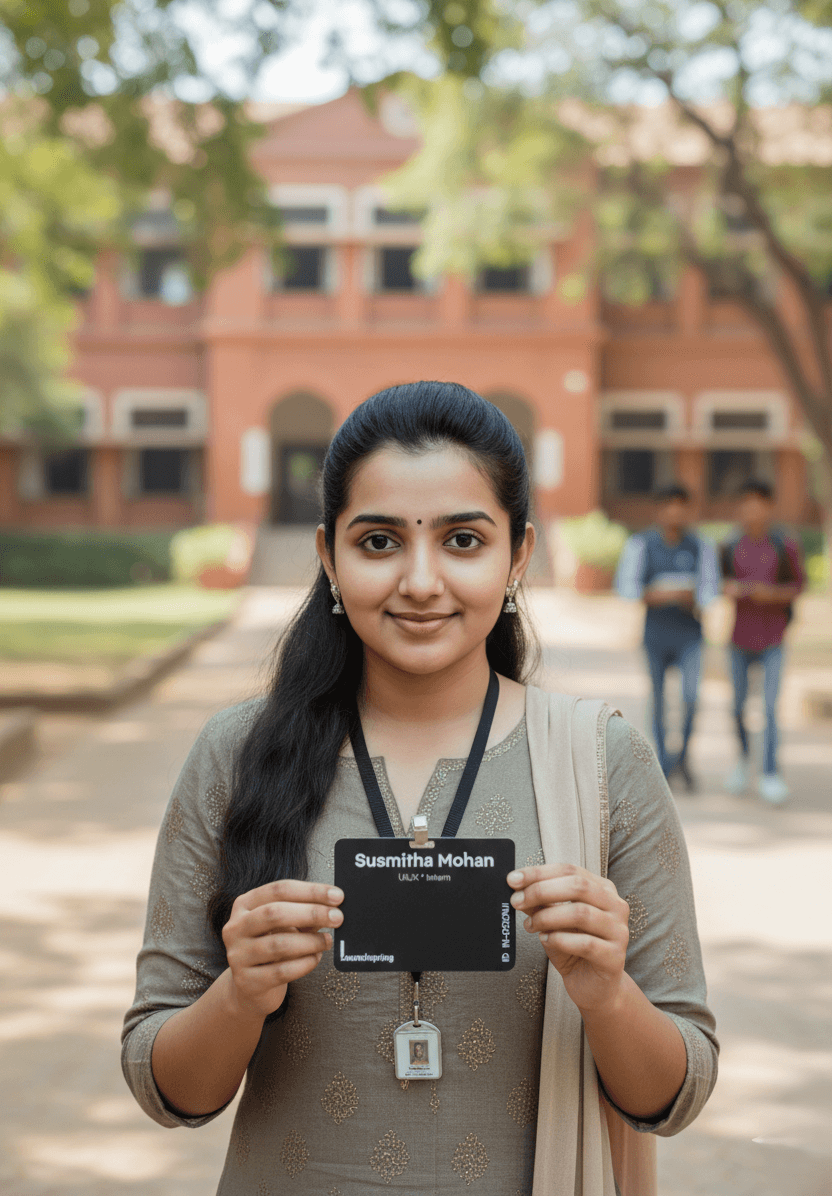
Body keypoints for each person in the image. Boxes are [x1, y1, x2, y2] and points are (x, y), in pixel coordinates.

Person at [122, 382, 717, 1195]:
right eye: (379, 543)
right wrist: (240, 993)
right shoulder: (236, 753)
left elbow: (677, 1094)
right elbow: (166, 1089)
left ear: (519, 556)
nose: (421, 581)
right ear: (330, 556)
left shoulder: (602, 759)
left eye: (464, 540)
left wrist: (607, 995)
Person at [615, 485, 720, 789]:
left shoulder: (701, 546)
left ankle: (683, 758)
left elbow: (710, 590)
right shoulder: (642, 545)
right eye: (668, 506)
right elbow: (628, 589)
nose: (674, 512)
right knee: (659, 700)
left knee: (691, 699)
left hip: (691, 635)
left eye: (681, 506)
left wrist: (693, 596)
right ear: (658, 510)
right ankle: (662, 761)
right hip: (656, 634)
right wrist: (662, 594)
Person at [720, 478, 805, 805]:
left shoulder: (785, 545)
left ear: (769, 507)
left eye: (759, 503)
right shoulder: (730, 545)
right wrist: (731, 589)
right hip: (739, 638)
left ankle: (770, 772)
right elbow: (718, 582)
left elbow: (798, 587)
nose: (752, 510)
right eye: (746, 502)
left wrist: (772, 594)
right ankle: (743, 760)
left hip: (773, 639)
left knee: (769, 708)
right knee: (738, 706)